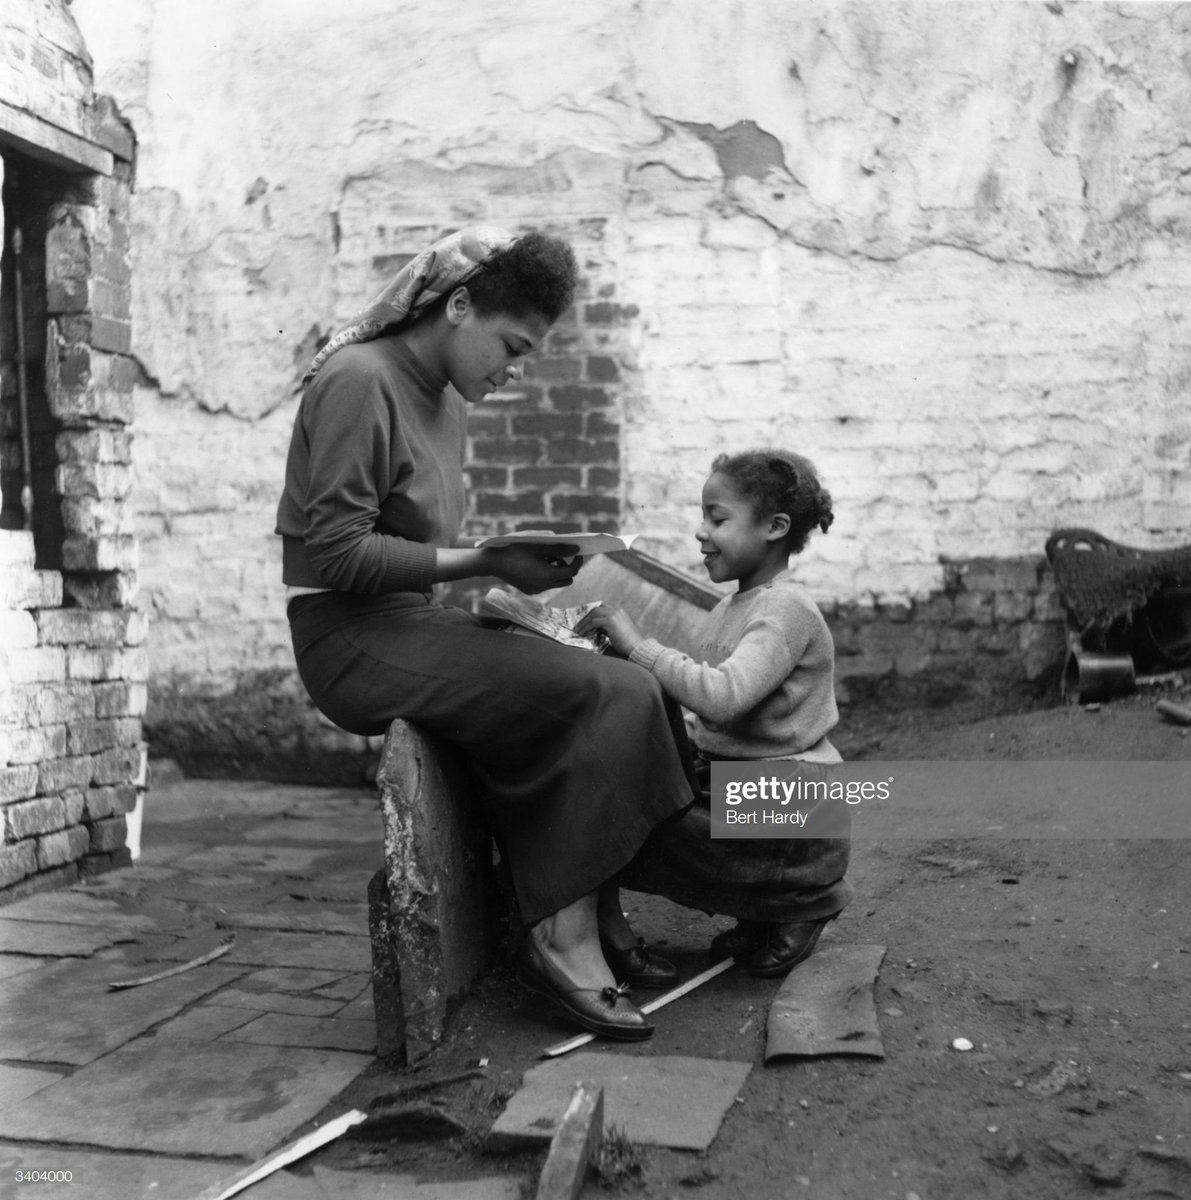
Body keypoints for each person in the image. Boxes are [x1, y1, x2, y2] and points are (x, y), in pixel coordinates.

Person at [276, 226, 695, 1041]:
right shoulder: (360, 380)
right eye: (509, 347)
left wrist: (514, 581)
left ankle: (598, 912)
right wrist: (480, 557)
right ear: (458, 305)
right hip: (347, 637)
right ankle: (558, 938)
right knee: (592, 694)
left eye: (525, 356)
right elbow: (334, 551)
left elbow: (420, 552)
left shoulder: (442, 403)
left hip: (411, 622)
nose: (510, 371)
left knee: (626, 676)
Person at [578, 448, 852, 976]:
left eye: (717, 518)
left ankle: (803, 902)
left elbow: (723, 698)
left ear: (775, 527)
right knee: (630, 806)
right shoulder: (730, 608)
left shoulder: (786, 609)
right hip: (746, 788)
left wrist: (641, 646)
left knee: (636, 828)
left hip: (793, 803)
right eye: (703, 516)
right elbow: (711, 719)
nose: (701, 532)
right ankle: (762, 909)